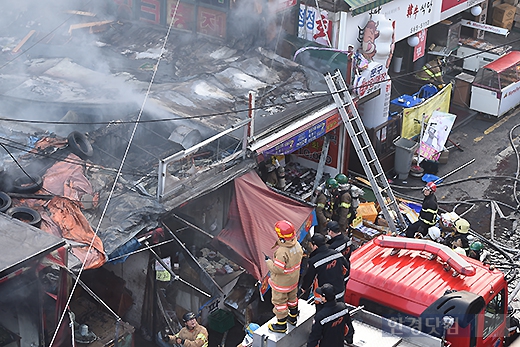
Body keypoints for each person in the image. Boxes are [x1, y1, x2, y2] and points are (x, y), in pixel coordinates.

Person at [265, 220, 304, 333]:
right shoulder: (297, 245)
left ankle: (281, 325)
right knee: (292, 299)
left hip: (281, 284)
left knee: (280, 303)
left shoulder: (282, 251)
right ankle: (293, 317)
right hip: (293, 281)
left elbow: (278, 269)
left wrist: (268, 262)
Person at [300, 233, 348, 311]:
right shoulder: (337, 254)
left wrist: (303, 289)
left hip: (324, 297)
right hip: (339, 291)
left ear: (315, 246)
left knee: (324, 316)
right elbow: (346, 268)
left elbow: (309, 278)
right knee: (339, 311)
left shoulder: (314, 261)